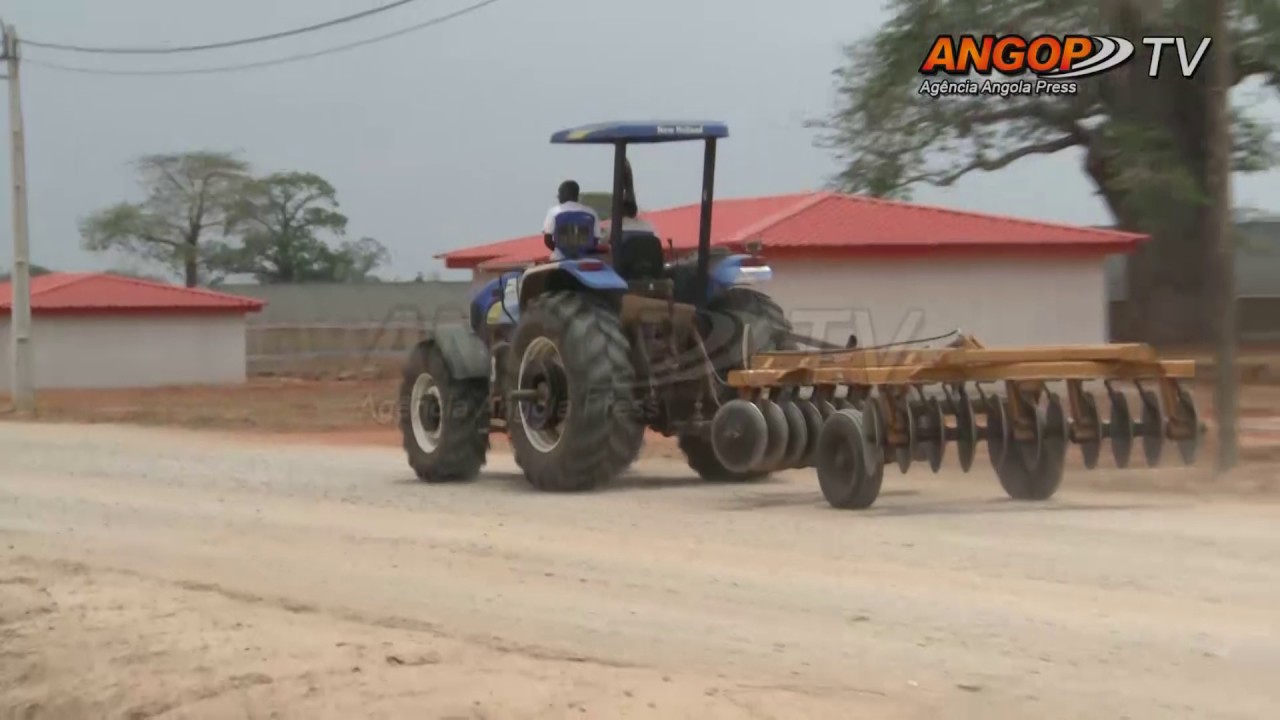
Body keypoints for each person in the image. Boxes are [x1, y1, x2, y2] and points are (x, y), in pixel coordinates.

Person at [542, 180, 602, 260]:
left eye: (559, 194)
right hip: (585, 259)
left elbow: (547, 240)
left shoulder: (554, 211)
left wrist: (561, 252)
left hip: (560, 258)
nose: (558, 197)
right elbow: (595, 240)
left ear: (564, 194)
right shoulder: (591, 212)